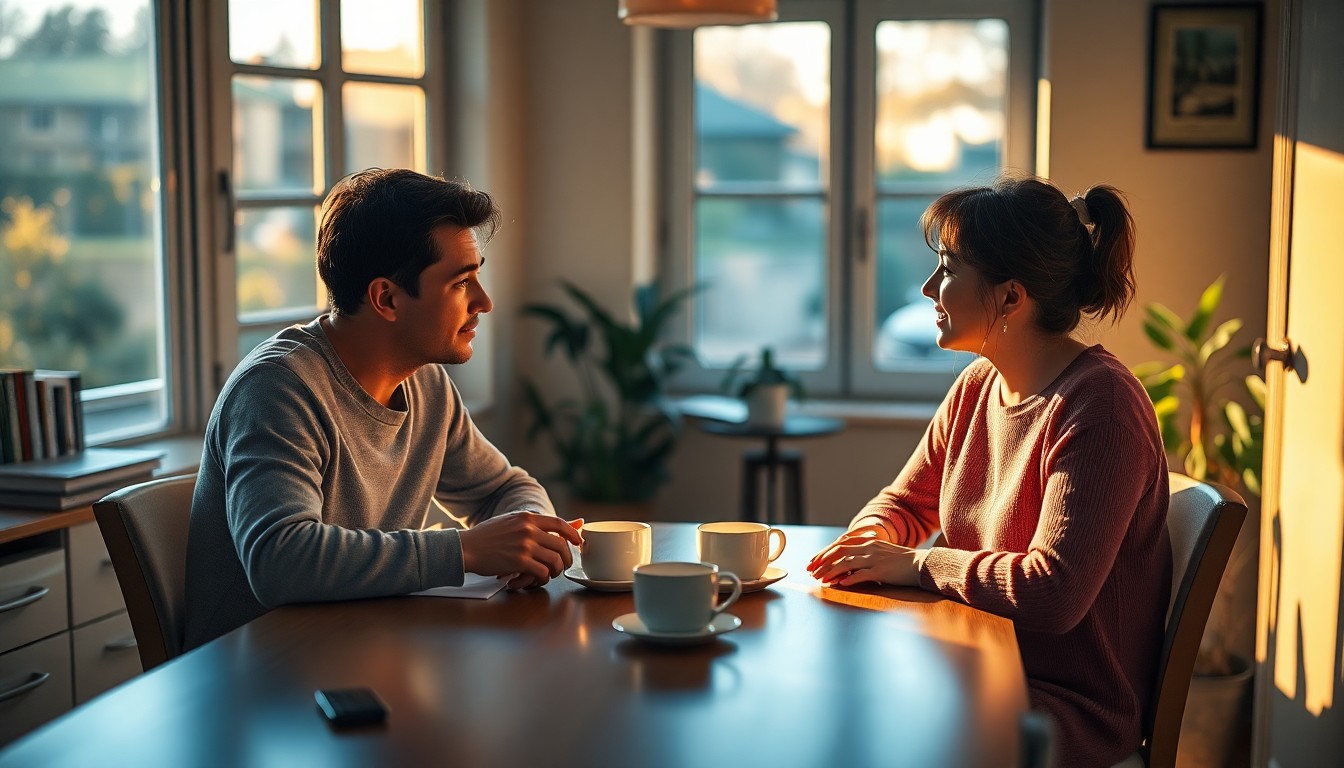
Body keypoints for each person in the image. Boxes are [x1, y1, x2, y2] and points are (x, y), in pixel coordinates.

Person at [807, 174, 1171, 766]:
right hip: (978, 658)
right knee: (830, 693)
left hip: (1061, 706)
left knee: (855, 718)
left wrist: (919, 564)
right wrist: (869, 542)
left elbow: (1054, 592)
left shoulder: (1101, 407)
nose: (928, 288)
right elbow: (907, 502)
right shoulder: (980, 383)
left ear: (1009, 297)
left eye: (948, 269)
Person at [184, 169, 582, 650]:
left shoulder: (424, 383)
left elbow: (503, 488)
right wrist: (464, 550)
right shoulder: (277, 388)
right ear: (387, 298)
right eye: (461, 283)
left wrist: (527, 539)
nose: (484, 301)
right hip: (259, 679)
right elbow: (279, 560)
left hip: (362, 651)